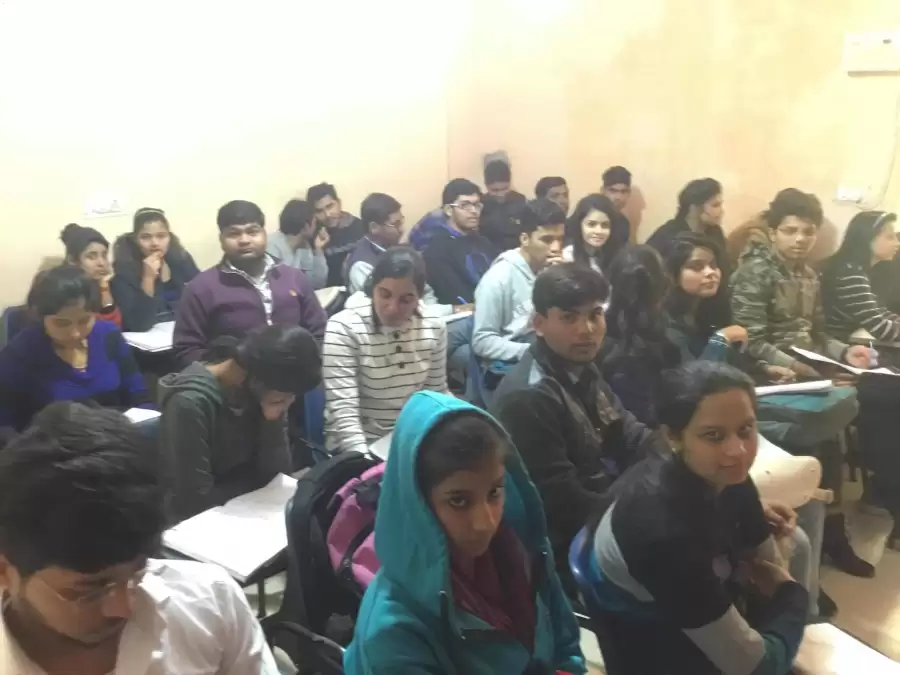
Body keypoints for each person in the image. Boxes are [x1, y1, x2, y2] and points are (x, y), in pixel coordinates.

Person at [0, 402, 280, 673]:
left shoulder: (208, 602)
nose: (124, 607)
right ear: (5, 571)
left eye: (138, 572)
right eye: (89, 591)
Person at [586, 361, 807, 675]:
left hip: (686, 596)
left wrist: (777, 591)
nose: (738, 451)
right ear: (673, 436)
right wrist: (794, 597)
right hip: (656, 646)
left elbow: (764, 560)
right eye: (714, 436)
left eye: (746, 429)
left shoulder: (724, 473)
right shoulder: (662, 531)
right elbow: (756, 667)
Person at [343, 391, 585, 675]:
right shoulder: (392, 633)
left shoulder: (526, 553)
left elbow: (565, 646)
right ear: (419, 503)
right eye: (458, 501)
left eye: (494, 492)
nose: (485, 523)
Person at [490, 264, 668, 586]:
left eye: (595, 314)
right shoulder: (529, 397)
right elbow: (563, 504)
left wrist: (680, 458)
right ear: (539, 324)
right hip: (564, 546)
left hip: (599, 509)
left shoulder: (578, 366)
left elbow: (628, 433)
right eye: (569, 318)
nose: (587, 329)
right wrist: (647, 508)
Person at [159, 325, 321, 522]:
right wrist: (253, 484)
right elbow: (194, 500)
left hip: (247, 507)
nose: (289, 401)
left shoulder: (263, 391)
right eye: (287, 394)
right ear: (256, 380)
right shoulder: (189, 403)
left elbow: (277, 477)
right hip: (201, 522)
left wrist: (271, 422)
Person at [730, 191, 873, 378]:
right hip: (771, 371)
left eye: (808, 232)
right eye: (790, 231)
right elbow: (751, 342)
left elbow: (817, 334)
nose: (800, 239)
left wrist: (845, 351)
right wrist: (798, 367)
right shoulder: (755, 272)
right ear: (773, 234)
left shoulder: (809, 275)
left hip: (809, 363)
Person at [323, 248, 449, 453]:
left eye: (406, 300)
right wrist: (364, 462)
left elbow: (436, 393)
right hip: (362, 440)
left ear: (419, 296)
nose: (392, 308)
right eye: (384, 294)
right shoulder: (344, 328)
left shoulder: (434, 326)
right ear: (372, 288)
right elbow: (344, 414)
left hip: (410, 434)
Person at [173, 199, 326, 367]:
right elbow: (186, 351)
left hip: (297, 377)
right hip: (232, 380)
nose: (244, 240)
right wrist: (228, 372)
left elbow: (319, 332)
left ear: (265, 234)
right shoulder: (201, 288)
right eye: (234, 234)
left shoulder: (293, 278)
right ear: (221, 239)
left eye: (253, 232)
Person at [0, 265, 151, 434]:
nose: (75, 333)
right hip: (53, 444)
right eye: (62, 323)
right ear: (41, 317)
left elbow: (140, 396)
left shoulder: (109, 336)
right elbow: (4, 426)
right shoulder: (20, 354)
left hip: (115, 438)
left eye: (84, 321)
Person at [472, 198, 565, 364]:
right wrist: (533, 352)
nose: (556, 248)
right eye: (547, 240)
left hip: (548, 347)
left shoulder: (555, 269)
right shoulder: (498, 278)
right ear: (524, 239)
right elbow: (482, 341)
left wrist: (561, 282)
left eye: (560, 239)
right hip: (516, 360)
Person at [109, 207, 200, 332]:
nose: (154, 243)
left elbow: (202, 298)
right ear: (135, 240)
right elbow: (138, 324)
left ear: (169, 237)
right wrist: (148, 279)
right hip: (146, 339)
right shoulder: (123, 271)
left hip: (182, 332)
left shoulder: (181, 259)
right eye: (146, 237)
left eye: (161, 236)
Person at [821, 210, 900, 343]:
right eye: (890, 237)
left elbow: (879, 311)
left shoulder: (859, 270)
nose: (897, 243)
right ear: (867, 238)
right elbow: (880, 328)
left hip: (852, 342)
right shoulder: (849, 273)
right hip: (839, 346)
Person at [422, 179, 496, 305]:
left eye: (477, 205)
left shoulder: (484, 242)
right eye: (465, 205)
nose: (474, 211)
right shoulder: (436, 251)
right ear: (448, 210)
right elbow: (455, 296)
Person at [646, 178, 726, 264]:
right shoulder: (667, 235)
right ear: (694, 208)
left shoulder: (716, 232)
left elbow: (725, 267)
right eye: (715, 205)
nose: (721, 211)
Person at [307, 182, 367, 287]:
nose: (327, 215)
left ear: (339, 203)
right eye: (319, 211)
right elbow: (315, 282)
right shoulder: (312, 235)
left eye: (330, 206)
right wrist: (318, 250)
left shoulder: (359, 227)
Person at [60, 223, 120, 326]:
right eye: (91, 257)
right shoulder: (63, 288)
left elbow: (114, 325)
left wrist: (104, 288)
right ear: (72, 261)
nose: (102, 263)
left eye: (104, 255)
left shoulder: (105, 282)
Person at [267, 198, 329, 289]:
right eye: (315, 223)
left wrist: (318, 250)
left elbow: (316, 283)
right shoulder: (271, 246)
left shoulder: (304, 247)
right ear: (306, 226)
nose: (316, 227)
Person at [562, 193, 629, 274]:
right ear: (579, 225)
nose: (599, 231)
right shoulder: (568, 257)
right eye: (591, 224)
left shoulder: (617, 256)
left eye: (605, 225)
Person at [479, 159, 528, 253]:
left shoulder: (520, 200)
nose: (500, 194)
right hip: (488, 253)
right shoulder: (480, 204)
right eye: (495, 190)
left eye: (505, 188)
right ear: (486, 186)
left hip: (516, 253)